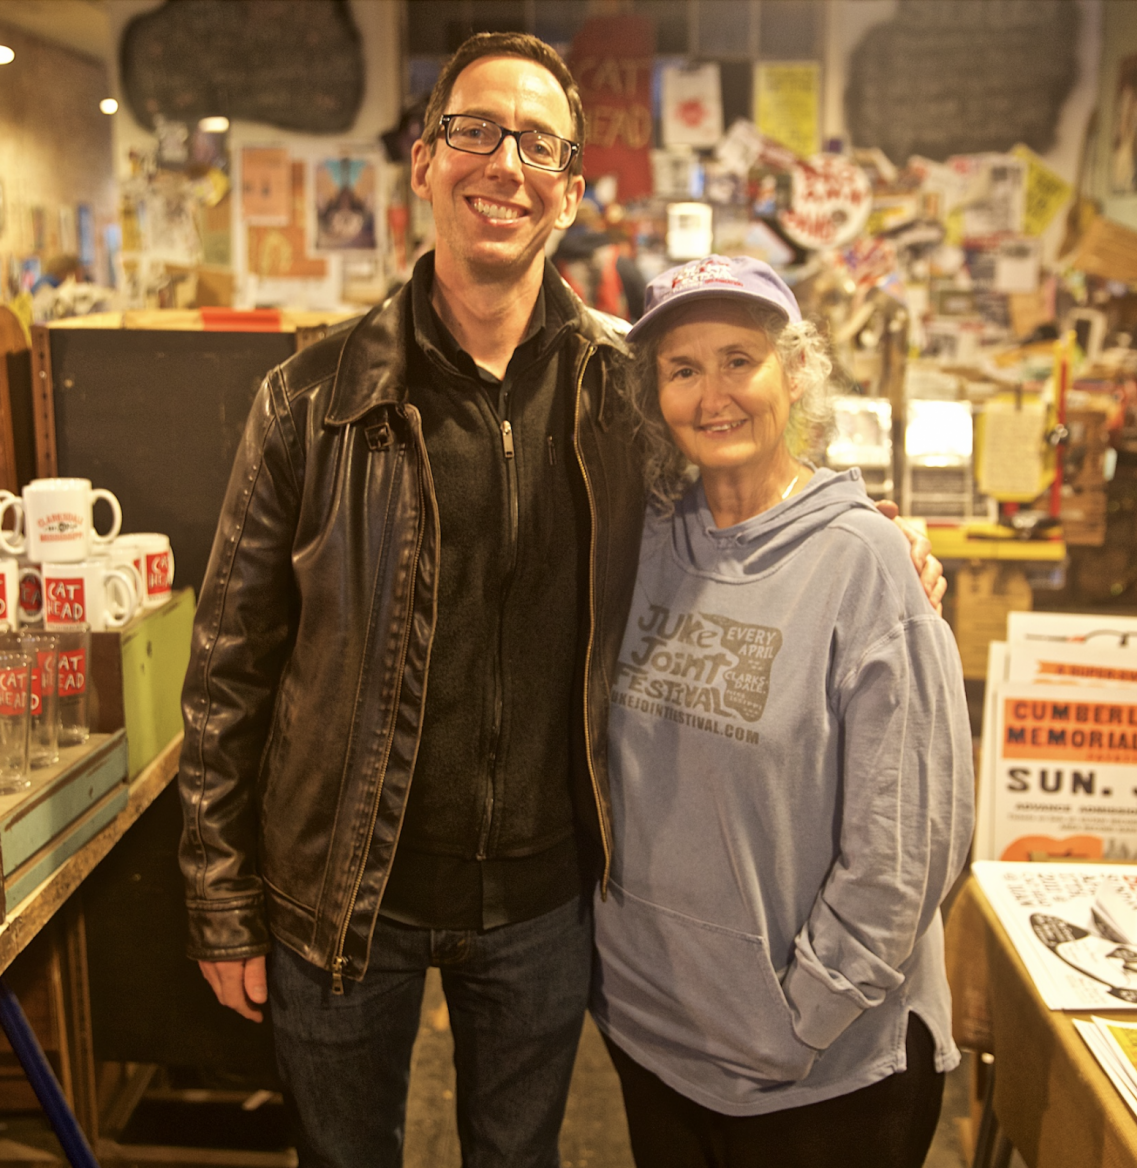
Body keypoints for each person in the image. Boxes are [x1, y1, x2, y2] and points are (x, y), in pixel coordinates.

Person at [177, 33, 944, 1167]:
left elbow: (744, 464)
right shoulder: (310, 396)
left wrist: (872, 528)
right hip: (343, 895)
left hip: (545, 899)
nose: (507, 163)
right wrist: (221, 898)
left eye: (539, 143)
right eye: (475, 131)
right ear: (425, 161)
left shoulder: (624, 388)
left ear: (572, 191)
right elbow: (229, 664)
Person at [591, 255, 974, 1168]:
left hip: (824, 1068)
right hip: (654, 1035)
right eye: (683, 370)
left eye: (740, 360)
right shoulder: (640, 541)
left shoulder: (865, 561)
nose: (713, 395)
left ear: (796, 371)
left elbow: (910, 843)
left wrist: (802, 1016)